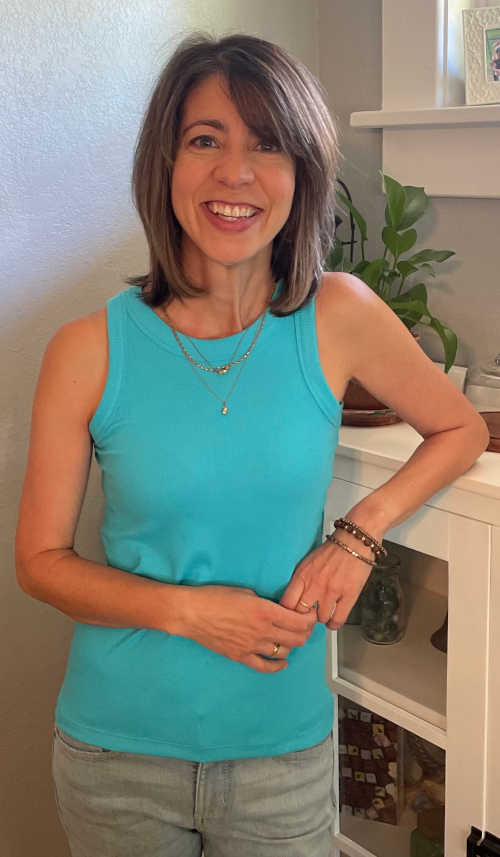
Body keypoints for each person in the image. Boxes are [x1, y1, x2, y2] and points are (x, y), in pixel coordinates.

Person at [15, 31, 489, 857]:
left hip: (281, 755)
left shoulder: (338, 315)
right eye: (206, 140)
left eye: (268, 145)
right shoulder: (87, 348)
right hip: (115, 755)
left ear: (301, 173)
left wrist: (358, 533)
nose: (236, 173)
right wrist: (194, 612)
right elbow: (40, 560)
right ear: (164, 164)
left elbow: (460, 428)